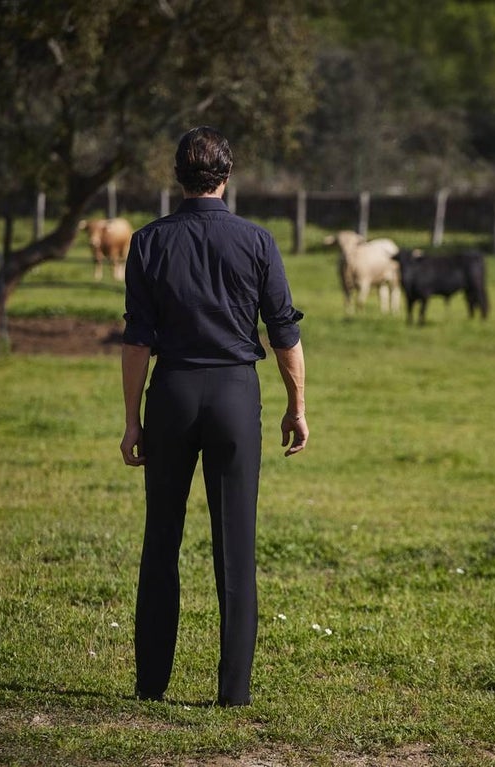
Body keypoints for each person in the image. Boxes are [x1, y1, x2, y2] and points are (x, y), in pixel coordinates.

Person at [119, 126, 308, 707]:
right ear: (226, 176)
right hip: (233, 393)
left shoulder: (148, 242)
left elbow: (136, 342)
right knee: (236, 545)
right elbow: (284, 333)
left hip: (171, 391)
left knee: (161, 540)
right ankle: (233, 693)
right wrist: (296, 406)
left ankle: (151, 684)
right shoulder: (257, 241)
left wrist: (132, 420)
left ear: (178, 177)